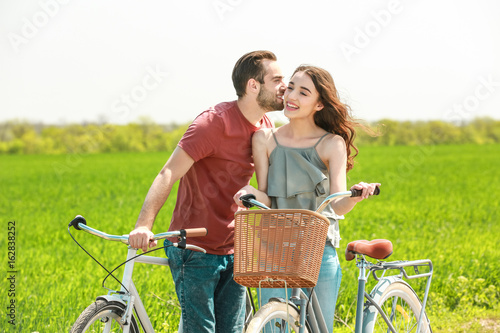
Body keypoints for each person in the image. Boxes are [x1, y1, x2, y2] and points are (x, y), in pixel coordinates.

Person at [128, 50, 287, 333]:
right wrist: (144, 224)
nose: (284, 87)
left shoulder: (265, 125)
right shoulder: (213, 123)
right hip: (195, 249)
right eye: (276, 80)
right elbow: (168, 172)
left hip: (235, 248)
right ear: (253, 86)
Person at [234, 65, 380, 333]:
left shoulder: (331, 143)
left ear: (319, 103)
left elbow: (336, 203)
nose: (292, 96)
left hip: (318, 250)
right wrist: (249, 193)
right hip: (275, 249)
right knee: (271, 327)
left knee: (317, 329)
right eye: (290, 87)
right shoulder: (265, 139)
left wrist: (354, 197)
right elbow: (265, 195)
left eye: (303, 92)